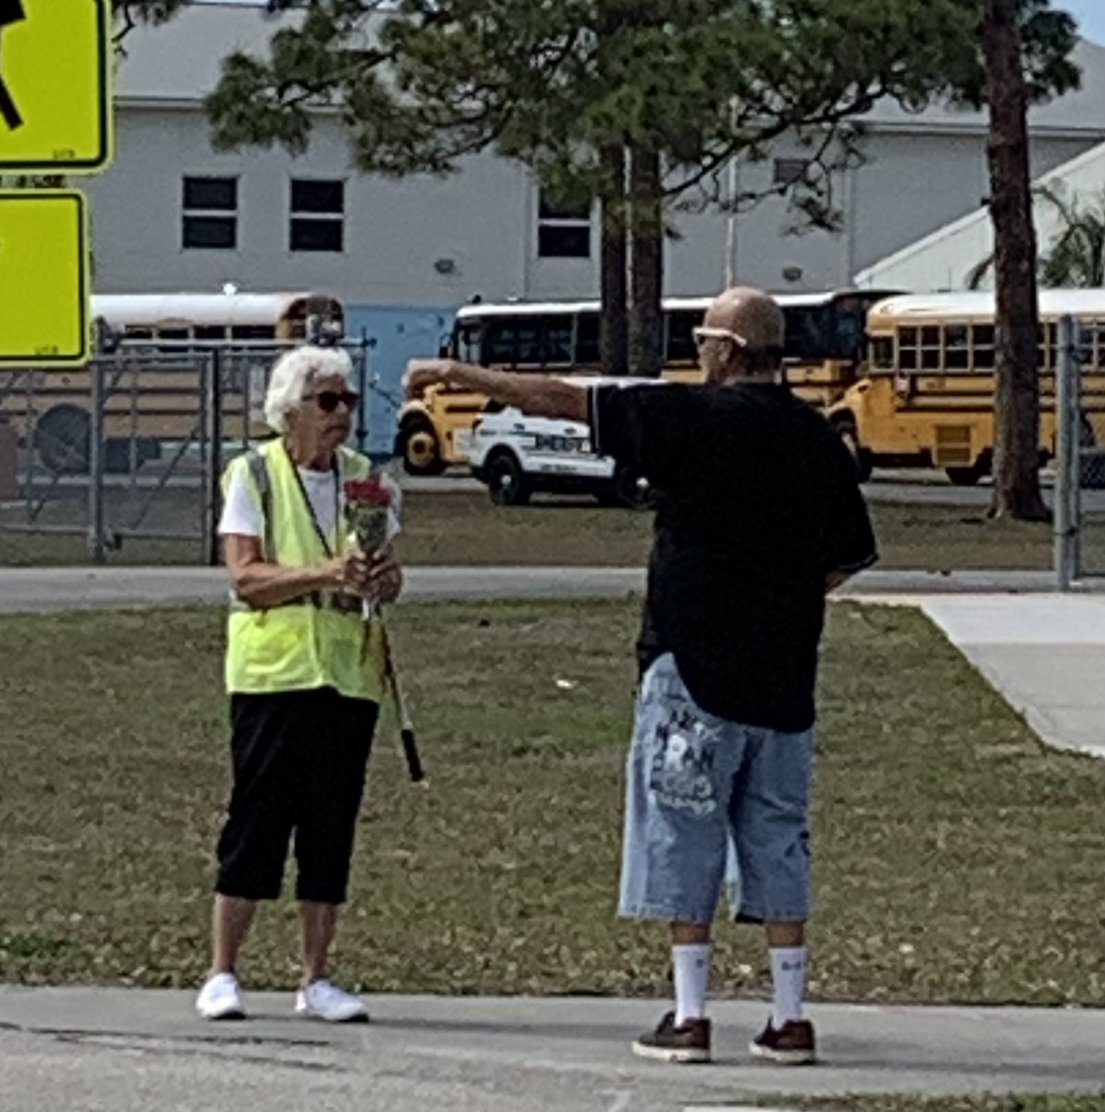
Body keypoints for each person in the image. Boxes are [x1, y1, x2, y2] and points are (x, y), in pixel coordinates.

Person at [405, 288, 877, 1064]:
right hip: (784, 676)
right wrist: (782, 599)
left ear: (727, 349)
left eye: (703, 337)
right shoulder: (815, 437)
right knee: (778, 835)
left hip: (690, 666)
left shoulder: (687, 417)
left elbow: (564, 400)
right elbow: (848, 554)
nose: (697, 349)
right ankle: (789, 1016)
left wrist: (461, 374)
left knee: (682, 828)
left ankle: (690, 1015)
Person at [196, 344, 403, 1023]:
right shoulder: (253, 473)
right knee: (257, 820)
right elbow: (245, 577)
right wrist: (325, 572)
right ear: (291, 410)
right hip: (273, 674)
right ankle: (223, 971)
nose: (342, 413)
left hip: (347, 675)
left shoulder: (367, 478)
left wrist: (382, 579)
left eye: (349, 400)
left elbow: (388, 570)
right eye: (328, 401)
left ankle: (316, 979)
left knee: (329, 826)